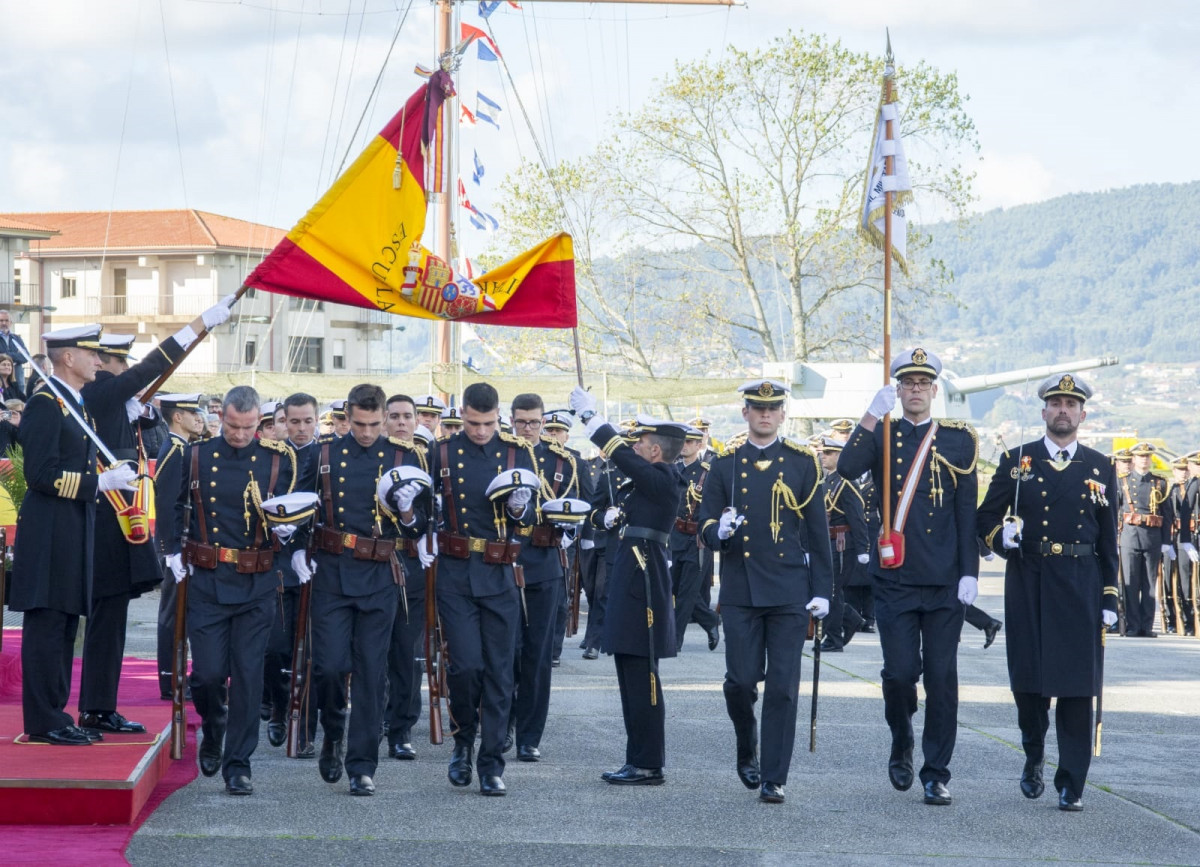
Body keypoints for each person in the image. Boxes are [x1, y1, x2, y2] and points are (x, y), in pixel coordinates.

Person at [79, 305, 231, 738]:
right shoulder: (102, 390)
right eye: (115, 360)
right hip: (108, 521)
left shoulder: (109, 400)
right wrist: (199, 325)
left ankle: (99, 705)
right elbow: (152, 366)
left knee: (112, 620)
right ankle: (95, 707)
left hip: (119, 520)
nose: (121, 368)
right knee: (105, 619)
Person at [838, 348, 979, 807]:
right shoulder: (883, 434)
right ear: (897, 390)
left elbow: (965, 514)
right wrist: (870, 415)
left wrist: (969, 574)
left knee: (941, 679)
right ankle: (901, 740)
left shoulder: (959, 440)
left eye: (923, 383)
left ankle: (936, 771)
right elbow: (845, 468)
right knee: (900, 675)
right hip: (895, 577)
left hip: (942, 581)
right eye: (907, 383)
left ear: (934, 391)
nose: (915, 390)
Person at [977, 373, 1121, 811]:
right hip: (1030, 580)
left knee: (1077, 689)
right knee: (1030, 685)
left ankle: (1071, 783)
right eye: (1055, 403)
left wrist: (1111, 596)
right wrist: (1004, 538)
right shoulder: (1017, 460)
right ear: (1043, 412)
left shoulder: (1100, 467)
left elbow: (1107, 537)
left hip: (1080, 583)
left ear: (1082, 413)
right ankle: (1034, 754)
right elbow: (985, 518)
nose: (1063, 410)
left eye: (1070, 404)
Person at [697, 381, 833, 804]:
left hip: (789, 590)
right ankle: (746, 743)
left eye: (773, 409)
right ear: (745, 413)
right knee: (739, 683)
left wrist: (823, 589)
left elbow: (817, 531)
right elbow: (704, 523)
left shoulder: (801, 462)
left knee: (783, 687)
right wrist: (718, 532)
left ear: (782, 414)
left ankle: (774, 775)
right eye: (757, 408)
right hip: (741, 589)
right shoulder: (724, 464)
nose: (765, 415)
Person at [297, 384, 428, 796]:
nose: (368, 432)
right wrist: (295, 546)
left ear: (386, 416)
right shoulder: (322, 454)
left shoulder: (406, 457)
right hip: (333, 571)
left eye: (375, 424)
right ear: (346, 417)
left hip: (381, 573)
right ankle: (333, 731)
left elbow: (426, 521)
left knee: (372, 672)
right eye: (359, 424)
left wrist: (408, 511)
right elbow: (300, 505)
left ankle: (362, 764)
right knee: (331, 667)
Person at [9, 325, 137, 746]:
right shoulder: (47, 403)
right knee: (48, 624)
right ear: (68, 358)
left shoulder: (72, 403)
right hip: (48, 530)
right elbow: (39, 474)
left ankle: (57, 714)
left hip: (71, 526)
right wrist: (97, 484)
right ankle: (43, 719)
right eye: (92, 354)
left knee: (65, 623)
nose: (99, 362)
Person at [166, 385, 297, 795]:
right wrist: (169, 549)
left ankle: (239, 764)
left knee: (247, 674)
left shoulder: (278, 459)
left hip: (256, 580)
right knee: (205, 675)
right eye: (233, 426)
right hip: (207, 577)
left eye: (249, 427)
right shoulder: (197, 455)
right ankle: (213, 723)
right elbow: (168, 500)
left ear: (260, 421)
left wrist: (290, 532)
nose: (240, 435)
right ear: (220, 416)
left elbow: (295, 507)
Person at [570, 386, 687, 786]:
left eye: (641, 443)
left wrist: (592, 420)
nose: (634, 447)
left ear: (655, 451)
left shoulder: (662, 477)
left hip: (644, 584)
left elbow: (619, 453)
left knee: (642, 677)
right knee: (630, 674)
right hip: (633, 578)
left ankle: (648, 762)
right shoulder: (652, 480)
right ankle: (637, 756)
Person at [428, 382, 537, 796]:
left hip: (500, 572)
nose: (480, 431)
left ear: (500, 418)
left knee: (499, 671)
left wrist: (520, 508)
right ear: (463, 415)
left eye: (488, 423)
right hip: (456, 572)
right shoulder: (440, 453)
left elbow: (532, 519)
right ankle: (462, 742)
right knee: (466, 666)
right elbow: (422, 511)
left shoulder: (517, 453)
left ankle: (491, 763)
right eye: (473, 423)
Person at [505, 394, 580, 761]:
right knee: (505, 650)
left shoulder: (561, 459)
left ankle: (529, 735)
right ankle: (501, 724)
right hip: (505, 561)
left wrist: (570, 529)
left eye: (535, 422)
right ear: (511, 420)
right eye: (522, 422)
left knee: (536, 654)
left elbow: (579, 504)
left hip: (546, 560)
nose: (529, 429)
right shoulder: (502, 454)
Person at [261, 392, 325, 755]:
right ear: (281, 421)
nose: (299, 429)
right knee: (275, 648)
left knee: (312, 653)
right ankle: (278, 708)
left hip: (315, 561)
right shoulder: (271, 457)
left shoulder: (327, 456)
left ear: (317, 421)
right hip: (277, 561)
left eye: (307, 421)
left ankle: (305, 731)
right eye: (292, 421)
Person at [382, 393, 430, 761]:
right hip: (372, 562)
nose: (401, 422)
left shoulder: (426, 461)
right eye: (394, 416)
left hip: (412, 563)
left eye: (407, 416)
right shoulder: (370, 455)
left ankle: (401, 729)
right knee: (370, 652)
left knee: (407, 652)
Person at [153, 393, 206, 700]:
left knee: (180, 613)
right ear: (177, 417)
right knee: (173, 614)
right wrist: (170, 549)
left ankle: (175, 677)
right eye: (192, 411)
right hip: (175, 546)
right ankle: (170, 680)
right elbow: (168, 502)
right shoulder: (176, 451)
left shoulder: (183, 448)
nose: (198, 417)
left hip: (181, 544)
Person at [671, 427, 721, 652]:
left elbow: (713, 507)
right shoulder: (673, 469)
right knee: (672, 587)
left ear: (699, 445)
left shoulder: (706, 472)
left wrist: (708, 533)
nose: (685, 446)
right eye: (683, 441)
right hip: (675, 536)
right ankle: (710, 620)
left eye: (690, 442)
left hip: (697, 539)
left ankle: (675, 640)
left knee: (687, 593)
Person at [1117, 442, 1174, 637]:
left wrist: (1166, 541)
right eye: (1141, 456)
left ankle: (1147, 626)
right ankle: (1133, 625)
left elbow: (1167, 514)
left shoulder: (1160, 482)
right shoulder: (1122, 482)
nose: (1144, 460)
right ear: (1133, 459)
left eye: (1147, 457)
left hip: (1152, 537)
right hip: (1130, 536)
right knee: (1131, 583)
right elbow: (1115, 512)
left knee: (1150, 584)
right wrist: (1116, 538)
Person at [817, 436, 868, 652]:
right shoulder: (827, 481)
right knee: (829, 590)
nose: (823, 456)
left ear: (839, 456)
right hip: (828, 542)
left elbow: (857, 517)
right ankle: (851, 619)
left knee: (833, 590)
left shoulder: (846, 483)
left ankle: (833, 638)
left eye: (828, 453)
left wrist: (863, 549)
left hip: (841, 545)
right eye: (822, 453)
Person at [1164, 457, 1199, 634]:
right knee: (1181, 579)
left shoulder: (1194, 485)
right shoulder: (1174, 489)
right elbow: (1170, 516)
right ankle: (1184, 619)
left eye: (1186, 469)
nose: (1184, 472)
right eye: (1180, 469)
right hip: (1180, 537)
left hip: (1193, 535)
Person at [0, 309, 31, 393]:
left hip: (17, 378)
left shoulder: (16, 338)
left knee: (19, 402)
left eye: (6, 320)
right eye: (1, 320)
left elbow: (26, 357)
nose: (4, 323)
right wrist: (16, 355)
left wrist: (5, 355)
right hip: (1, 379)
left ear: (11, 323)